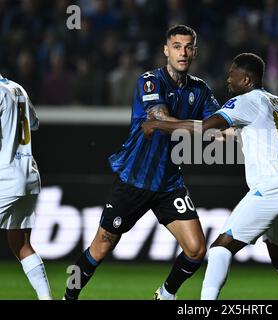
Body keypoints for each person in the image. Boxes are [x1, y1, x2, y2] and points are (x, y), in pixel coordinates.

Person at [142, 53, 278, 300]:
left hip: (271, 189)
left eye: (233, 74)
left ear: (246, 80)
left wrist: (158, 125)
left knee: (219, 250)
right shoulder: (269, 100)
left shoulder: (247, 101)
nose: (228, 79)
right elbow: (228, 132)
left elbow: (204, 127)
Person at [63, 25, 221, 300]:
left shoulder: (200, 89)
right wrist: (205, 128)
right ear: (166, 50)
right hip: (134, 180)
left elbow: (222, 128)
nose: (182, 52)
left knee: (196, 249)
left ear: (194, 51)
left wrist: (255, 118)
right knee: (101, 247)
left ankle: (165, 295)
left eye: (188, 47)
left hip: (169, 183)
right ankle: (68, 298)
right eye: (176, 46)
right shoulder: (150, 81)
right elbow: (158, 119)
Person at [0, 74, 53, 300]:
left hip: (5, 176)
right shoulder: (16, 88)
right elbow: (33, 123)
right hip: (28, 173)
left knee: (21, 243)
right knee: (20, 244)